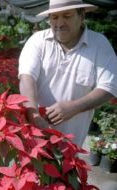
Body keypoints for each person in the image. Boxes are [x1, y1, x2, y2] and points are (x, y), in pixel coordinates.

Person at [18, 0, 117, 146]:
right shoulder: (38, 41)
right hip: (33, 141)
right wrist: (35, 117)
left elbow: (109, 87)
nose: (60, 23)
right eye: (54, 17)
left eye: (67, 15)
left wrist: (74, 107)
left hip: (71, 146)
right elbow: (27, 78)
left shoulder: (99, 44)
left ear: (81, 16)